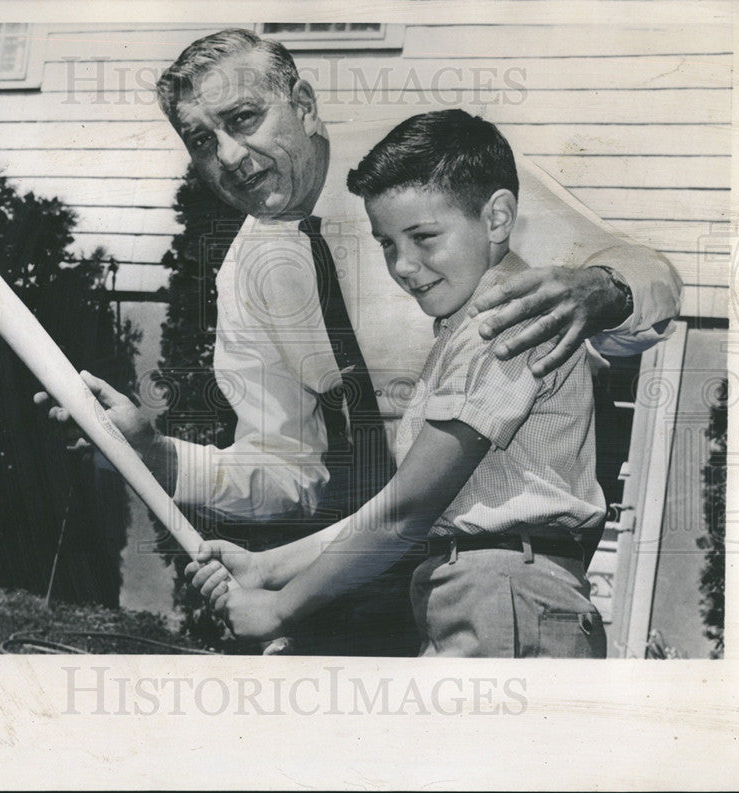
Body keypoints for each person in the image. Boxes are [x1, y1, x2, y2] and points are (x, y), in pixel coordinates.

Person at [38, 28, 680, 654]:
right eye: (203, 140)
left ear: (305, 105)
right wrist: (161, 459)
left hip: (496, 573)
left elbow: (649, 272)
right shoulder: (247, 271)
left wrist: (603, 288)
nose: (230, 156)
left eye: (245, 119)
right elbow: (293, 469)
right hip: (379, 570)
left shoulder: (428, 180)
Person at [188, 109, 608, 658]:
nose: (404, 266)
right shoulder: (464, 329)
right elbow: (401, 507)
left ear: (498, 218)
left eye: (424, 237)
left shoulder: (504, 323)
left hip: (506, 596)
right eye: (386, 243)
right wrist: (266, 567)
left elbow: (404, 513)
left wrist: (279, 607)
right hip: (478, 589)